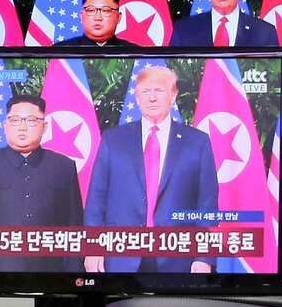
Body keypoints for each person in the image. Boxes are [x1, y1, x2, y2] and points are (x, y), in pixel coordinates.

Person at [84, 65, 217, 273]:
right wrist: (93, 248)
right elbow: (96, 199)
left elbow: (207, 206)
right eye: (145, 92)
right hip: (120, 258)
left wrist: (204, 257)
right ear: (137, 98)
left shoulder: (197, 142)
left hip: (178, 259)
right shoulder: (113, 140)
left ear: (173, 96)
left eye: (159, 91)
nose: (152, 98)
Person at [0, 95, 83, 272]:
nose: (22, 127)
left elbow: (74, 229)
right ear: (5, 126)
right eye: (15, 120)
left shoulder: (64, 167)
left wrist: (75, 282)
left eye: (31, 120)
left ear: (44, 126)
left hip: (50, 278)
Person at [54, 0, 138, 47]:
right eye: (91, 10)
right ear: (81, 16)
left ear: (119, 18)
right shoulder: (60, 51)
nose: (98, 18)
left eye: (105, 10)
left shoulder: (135, 52)